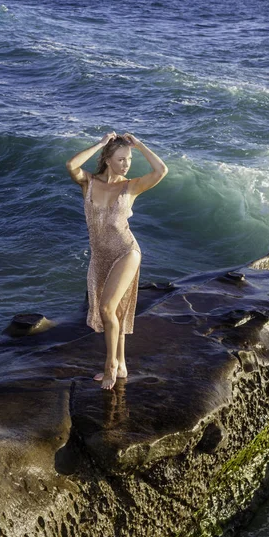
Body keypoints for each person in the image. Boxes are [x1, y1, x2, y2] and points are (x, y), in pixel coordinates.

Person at [66, 132, 168, 390]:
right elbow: (71, 165)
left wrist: (140, 145)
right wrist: (101, 142)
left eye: (129, 159)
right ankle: (121, 364)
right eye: (121, 159)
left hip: (126, 251)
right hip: (100, 256)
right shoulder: (87, 182)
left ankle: (110, 365)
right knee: (117, 311)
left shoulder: (130, 186)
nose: (126, 164)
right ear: (108, 160)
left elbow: (161, 170)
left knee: (108, 309)